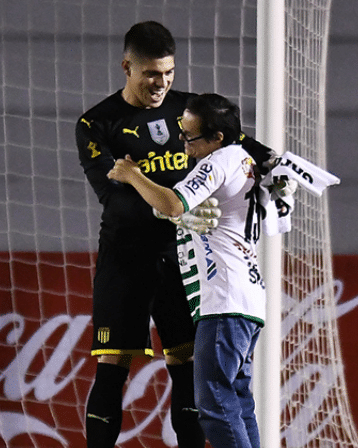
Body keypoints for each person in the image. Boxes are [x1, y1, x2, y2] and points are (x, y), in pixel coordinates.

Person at [75, 21, 274, 448]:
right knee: (113, 366)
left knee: (188, 369)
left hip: (183, 258)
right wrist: (175, 215)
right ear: (126, 67)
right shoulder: (97, 123)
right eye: (150, 74)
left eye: (168, 73)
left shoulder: (190, 109)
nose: (161, 83)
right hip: (125, 256)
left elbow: (237, 143)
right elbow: (112, 197)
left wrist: (276, 165)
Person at [107, 93, 266, 448]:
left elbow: (173, 203)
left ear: (216, 138)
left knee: (212, 401)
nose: (183, 142)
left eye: (190, 137)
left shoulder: (216, 162)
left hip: (223, 299)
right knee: (238, 401)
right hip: (247, 298)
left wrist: (133, 175)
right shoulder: (243, 159)